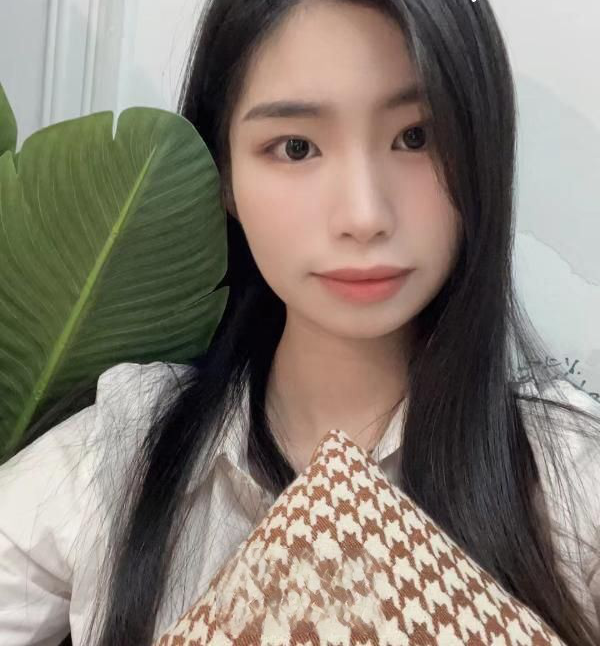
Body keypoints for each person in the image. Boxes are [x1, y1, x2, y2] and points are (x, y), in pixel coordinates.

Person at [1, 0, 599, 644]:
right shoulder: (117, 459)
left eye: (417, 137)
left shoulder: (572, 479)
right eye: (296, 147)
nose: (364, 215)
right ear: (225, 175)